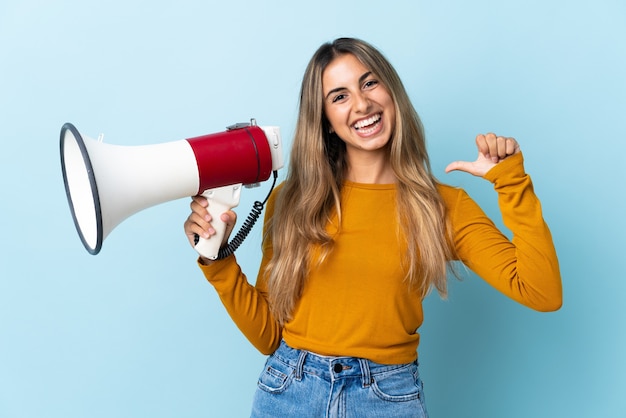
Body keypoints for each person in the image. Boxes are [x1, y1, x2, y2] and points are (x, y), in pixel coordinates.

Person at [183, 37, 562, 418]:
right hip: (288, 391)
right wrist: (217, 259)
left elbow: (541, 292)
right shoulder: (291, 202)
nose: (362, 104)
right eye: (339, 96)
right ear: (326, 121)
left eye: (369, 83)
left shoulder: (443, 207)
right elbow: (269, 336)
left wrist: (511, 183)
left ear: (391, 91)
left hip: (387, 398)